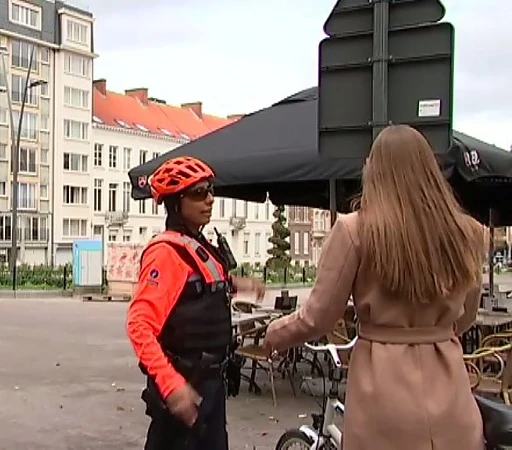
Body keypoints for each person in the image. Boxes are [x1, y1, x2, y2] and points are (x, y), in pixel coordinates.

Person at [263, 125, 487, 450]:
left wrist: (276, 333)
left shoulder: (355, 231)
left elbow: (319, 317)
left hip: (383, 397)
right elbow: (465, 317)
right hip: (452, 396)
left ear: (373, 170)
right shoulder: (466, 233)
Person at [126, 156, 266, 450]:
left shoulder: (197, 246)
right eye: (199, 193)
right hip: (185, 387)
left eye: (210, 190)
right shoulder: (165, 253)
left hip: (210, 387)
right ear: (176, 202)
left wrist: (237, 285)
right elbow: (139, 326)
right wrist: (171, 385)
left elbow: (195, 291)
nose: (210, 199)